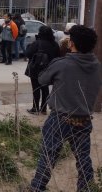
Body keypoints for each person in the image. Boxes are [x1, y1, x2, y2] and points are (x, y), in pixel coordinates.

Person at [29, 25, 100, 192]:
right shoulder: (97, 65)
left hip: (60, 119)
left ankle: (37, 187)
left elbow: (42, 80)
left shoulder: (62, 64)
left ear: (72, 43)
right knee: (83, 158)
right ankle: (86, 188)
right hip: (84, 119)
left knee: (48, 155)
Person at [25, 26, 60, 115]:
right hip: (49, 69)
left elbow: (28, 54)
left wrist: (29, 46)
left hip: (36, 70)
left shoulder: (37, 43)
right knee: (45, 89)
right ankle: (44, 108)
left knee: (36, 88)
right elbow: (58, 57)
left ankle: (35, 108)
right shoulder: (54, 44)